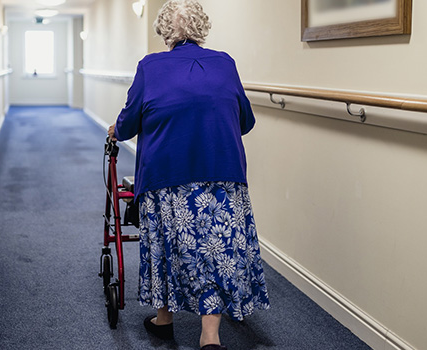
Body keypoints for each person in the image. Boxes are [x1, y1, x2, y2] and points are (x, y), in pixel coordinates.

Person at [108, 1, 269, 349]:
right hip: (222, 172)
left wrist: (115, 130)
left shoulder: (150, 66)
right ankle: (209, 335)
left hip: (167, 174)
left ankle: (164, 319)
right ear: (201, 27)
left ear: (165, 30)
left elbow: (130, 119)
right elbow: (246, 120)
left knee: (168, 243)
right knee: (217, 248)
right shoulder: (225, 63)